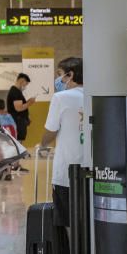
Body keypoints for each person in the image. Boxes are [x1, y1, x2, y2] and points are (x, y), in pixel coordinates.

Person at [42, 57, 85, 232]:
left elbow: (50, 131)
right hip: (90, 168)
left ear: (70, 75)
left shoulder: (61, 97)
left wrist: (42, 143)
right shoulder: (94, 95)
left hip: (66, 171)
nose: (58, 80)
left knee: (69, 224)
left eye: (60, 75)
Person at [6, 73, 35, 143]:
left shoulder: (18, 92)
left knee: (19, 142)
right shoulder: (15, 92)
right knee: (17, 143)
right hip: (17, 122)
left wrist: (26, 117)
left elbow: (21, 105)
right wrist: (29, 103)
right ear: (21, 80)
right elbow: (18, 108)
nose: (25, 86)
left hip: (20, 121)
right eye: (26, 84)